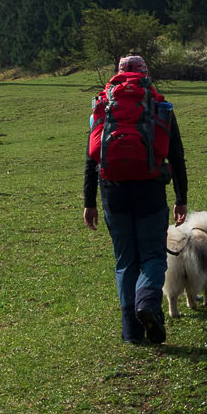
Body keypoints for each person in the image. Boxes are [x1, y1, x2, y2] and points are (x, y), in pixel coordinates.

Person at [84, 54, 188, 345]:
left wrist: (89, 202)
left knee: (125, 261)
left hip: (112, 192)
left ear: (117, 74)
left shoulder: (102, 105)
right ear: (145, 75)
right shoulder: (161, 106)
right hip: (150, 190)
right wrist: (181, 198)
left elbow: (90, 158)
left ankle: (131, 331)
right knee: (154, 256)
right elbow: (176, 156)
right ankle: (147, 304)